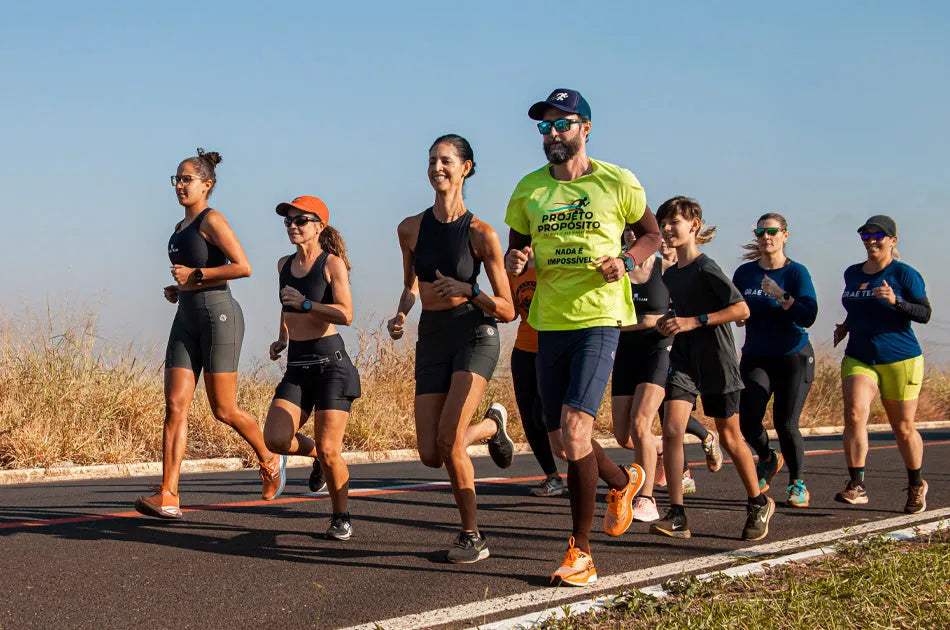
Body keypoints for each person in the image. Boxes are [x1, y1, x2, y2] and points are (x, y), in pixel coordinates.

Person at [505, 89, 659, 587]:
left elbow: (651, 235)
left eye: (562, 124)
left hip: (599, 317)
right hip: (548, 321)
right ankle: (622, 480)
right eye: (545, 126)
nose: (553, 133)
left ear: (585, 128)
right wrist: (516, 261)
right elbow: (516, 249)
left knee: (575, 431)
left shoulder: (617, 181)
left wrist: (627, 261)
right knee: (561, 441)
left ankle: (581, 553)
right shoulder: (529, 189)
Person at [388, 134, 516, 563]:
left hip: (474, 333)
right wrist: (401, 314)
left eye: (445, 160)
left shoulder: (482, 233)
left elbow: (508, 309)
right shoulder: (410, 228)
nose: (436, 168)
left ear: (466, 168)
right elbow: (411, 285)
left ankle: (471, 535)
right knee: (430, 452)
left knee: (449, 440)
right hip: (433, 335)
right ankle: (492, 427)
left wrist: (470, 290)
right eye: (431, 161)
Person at [135, 148, 283, 519]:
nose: (180, 185)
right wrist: (180, 288)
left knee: (224, 409)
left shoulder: (211, 219)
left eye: (187, 179)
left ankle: (269, 458)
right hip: (186, 319)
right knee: (175, 406)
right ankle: (169, 493)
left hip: (220, 316)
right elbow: (191, 274)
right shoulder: (178, 228)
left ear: (207, 184)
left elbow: (243, 267)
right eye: (177, 179)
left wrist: (196, 276)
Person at [650, 196, 775, 542]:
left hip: (717, 360)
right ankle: (677, 515)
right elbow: (683, 310)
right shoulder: (671, 274)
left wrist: (694, 321)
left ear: (694, 225)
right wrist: (669, 321)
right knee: (672, 430)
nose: (667, 229)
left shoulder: (706, 267)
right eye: (663, 223)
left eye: (674, 222)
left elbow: (741, 310)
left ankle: (758, 502)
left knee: (731, 436)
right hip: (684, 360)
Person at [262, 196, 360, 539]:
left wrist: (306, 304)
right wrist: (282, 337)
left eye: (301, 220)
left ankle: (341, 516)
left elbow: (346, 313)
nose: (293, 226)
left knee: (333, 450)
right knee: (275, 439)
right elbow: (285, 304)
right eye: (288, 221)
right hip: (297, 366)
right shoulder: (283, 265)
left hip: (331, 366)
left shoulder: (331, 264)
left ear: (319, 226)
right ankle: (317, 454)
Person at [614, 232, 723, 524]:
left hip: (659, 351)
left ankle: (646, 499)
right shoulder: (615, 271)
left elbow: (666, 316)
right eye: (628, 228)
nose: (633, 233)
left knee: (641, 423)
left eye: (639, 228)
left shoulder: (666, 270)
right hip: (625, 353)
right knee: (624, 436)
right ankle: (667, 449)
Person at [833, 215, 931, 513]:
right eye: (866, 236)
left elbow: (924, 313)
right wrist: (846, 326)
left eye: (878, 236)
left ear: (893, 240)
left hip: (900, 358)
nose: (872, 241)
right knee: (854, 414)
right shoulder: (852, 273)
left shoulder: (904, 274)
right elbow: (858, 306)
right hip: (860, 355)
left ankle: (916, 484)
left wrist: (896, 302)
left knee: (902, 427)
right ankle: (857, 485)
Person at [733, 213, 818, 508]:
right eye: (761, 232)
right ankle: (768, 458)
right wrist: (739, 316)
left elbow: (808, 315)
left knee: (786, 423)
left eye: (772, 232)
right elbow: (736, 307)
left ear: (785, 235)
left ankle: (797, 483)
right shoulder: (745, 274)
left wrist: (782, 296)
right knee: (747, 421)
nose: (766, 237)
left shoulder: (796, 273)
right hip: (756, 354)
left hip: (793, 354)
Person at [508, 250, 564, 497]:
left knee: (545, 416)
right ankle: (553, 477)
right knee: (529, 418)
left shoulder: (555, 259)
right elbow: (511, 310)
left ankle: (596, 471)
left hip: (554, 349)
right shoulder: (512, 266)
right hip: (523, 349)